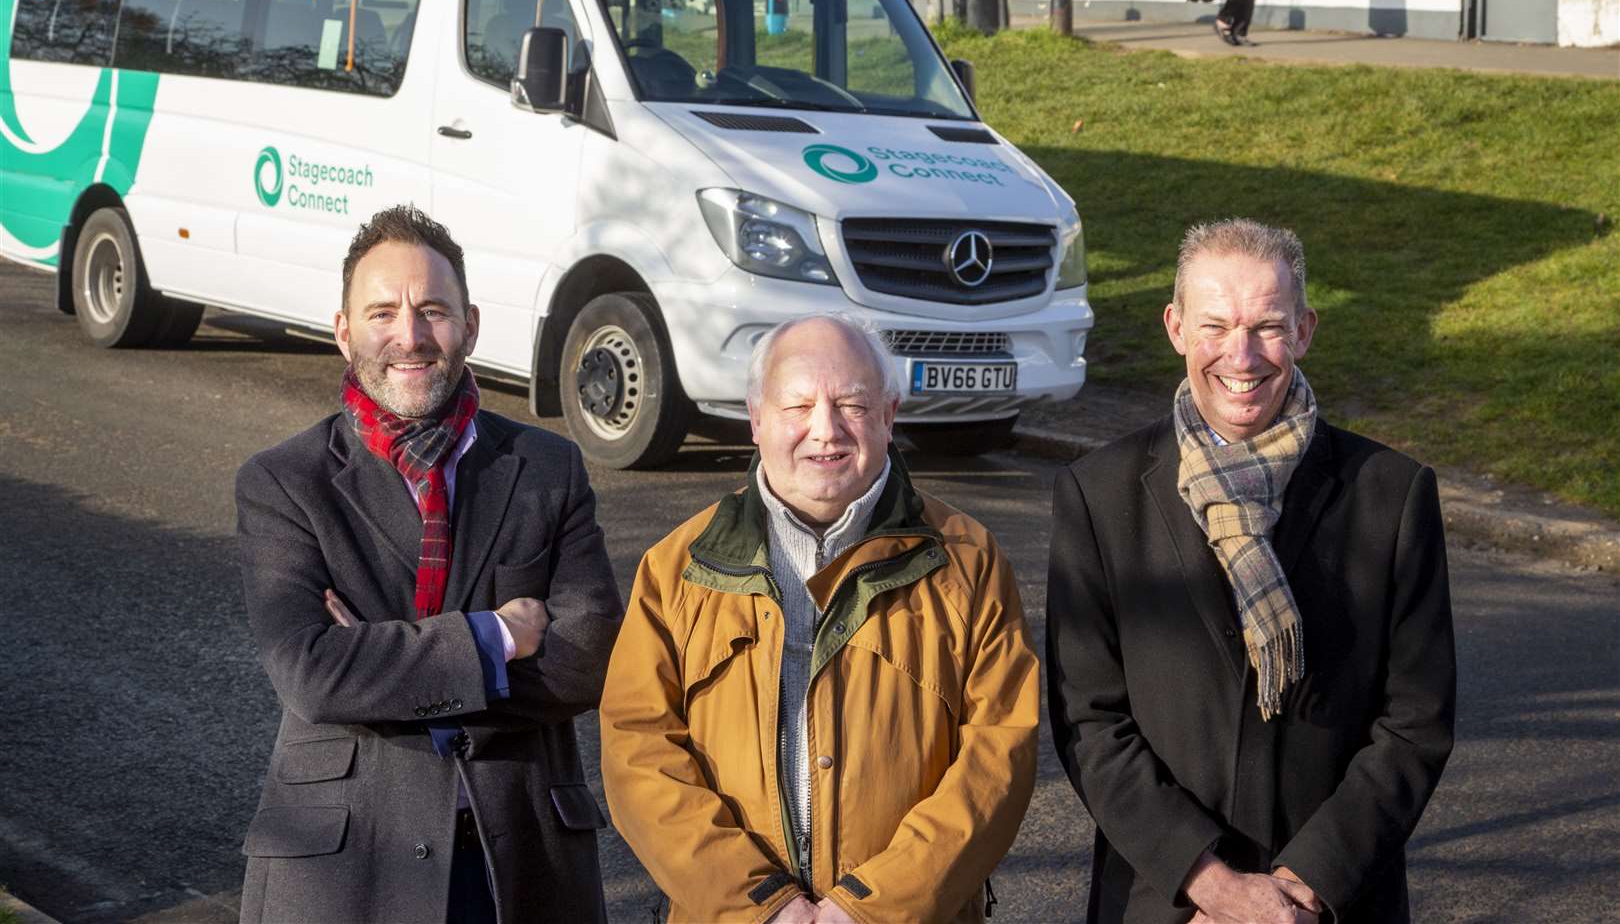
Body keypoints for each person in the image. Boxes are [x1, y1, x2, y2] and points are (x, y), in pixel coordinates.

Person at [1046, 219, 1456, 924]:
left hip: (1336, 902)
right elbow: (1089, 720)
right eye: (1215, 325)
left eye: (1268, 325)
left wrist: (1301, 887)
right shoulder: (1098, 493)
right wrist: (1215, 888)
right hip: (1164, 900)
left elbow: (1415, 722)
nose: (1241, 355)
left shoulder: (1391, 495)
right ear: (1175, 327)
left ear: (1305, 330)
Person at [235, 205, 623, 924]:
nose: (409, 336)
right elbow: (312, 673)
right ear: (344, 331)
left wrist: (379, 661)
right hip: (345, 870)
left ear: (470, 324)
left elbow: (587, 658)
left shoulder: (548, 467)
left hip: (520, 862)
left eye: (432, 310)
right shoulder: (284, 482)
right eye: (382, 311)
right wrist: (494, 639)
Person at [599, 313, 1038, 923]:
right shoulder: (676, 569)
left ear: (889, 414)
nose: (825, 430)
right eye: (797, 406)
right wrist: (763, 906)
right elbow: (637, 754)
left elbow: (999, 757)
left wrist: (866, 911)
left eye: (852, 405)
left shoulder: (968, 560)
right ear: (756, 419)